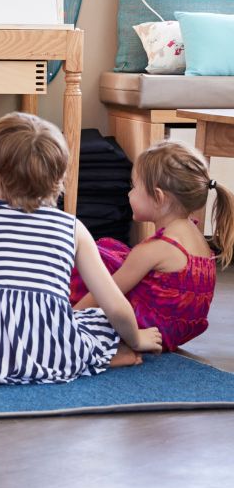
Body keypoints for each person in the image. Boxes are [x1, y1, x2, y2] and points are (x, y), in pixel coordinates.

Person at [0, 113, 162, 384]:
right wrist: (137, 338)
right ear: (61, 175)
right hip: (54, 351)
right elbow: (116, 307)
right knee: (96, 319)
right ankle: (100, 357)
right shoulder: (72, 228)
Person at [69, 139, 233, 350]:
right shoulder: (197, 237)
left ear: (158, 197)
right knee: (115, 254)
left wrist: (68, 323)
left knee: (95, 262)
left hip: (149, 329)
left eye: (134, 187)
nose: (129, 193)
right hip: (176, 330)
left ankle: (117, 349)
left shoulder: (155, 249)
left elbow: (103, 294)